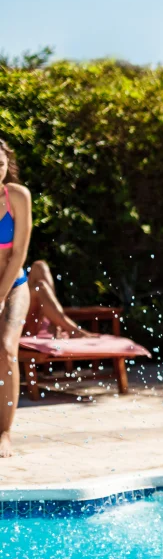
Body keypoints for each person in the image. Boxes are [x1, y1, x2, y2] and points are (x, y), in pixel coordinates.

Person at [0, 139, 32, 457]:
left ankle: (5, 433)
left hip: (14, 286)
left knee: (7, 350)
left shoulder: (17, 197)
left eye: (0, 164)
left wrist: (0, 294)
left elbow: (19, 252)